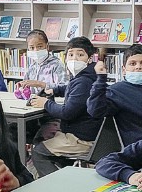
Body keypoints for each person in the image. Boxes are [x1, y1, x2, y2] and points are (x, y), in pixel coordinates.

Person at [28, 37, 104, 177]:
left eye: (80, 54)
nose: (74, 58)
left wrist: (45, 103)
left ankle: (54, 185)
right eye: (70, 54)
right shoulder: (87, 75)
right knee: (46, 139)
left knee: (38, 151)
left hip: (81, 139)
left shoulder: (83, 81)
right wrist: (55, 90)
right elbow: (71, 89)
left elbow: (67, 112)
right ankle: (64, 175)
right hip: (87, 134)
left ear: (89, 58)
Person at [87, 43, 142, 145]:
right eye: (132, 64)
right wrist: (101, 79)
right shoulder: (115, 91)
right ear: (124, 70)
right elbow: (95, 111)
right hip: (136, 145)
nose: (138, 67)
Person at [17, 29, 67, 95]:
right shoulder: (32, 66)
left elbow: (64, 87)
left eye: (40, 46)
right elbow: (27, 84)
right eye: (32, 47)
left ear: (47, 46)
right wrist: (22, 86)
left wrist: (40, 84)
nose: (36, 50)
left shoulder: (57, 65)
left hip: (51, 102)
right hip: (34, 101)